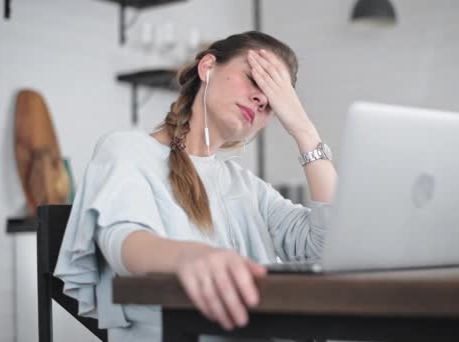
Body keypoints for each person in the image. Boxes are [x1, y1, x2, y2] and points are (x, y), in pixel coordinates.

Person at [54, 31, 337, 342]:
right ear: (208, 67)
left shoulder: (247, 186)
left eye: (275, 101)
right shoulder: (127, 150)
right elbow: (123, 241)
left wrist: (303, 129)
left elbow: (329, 246)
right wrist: (189, 257)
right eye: (256, 78)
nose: (262, 99)